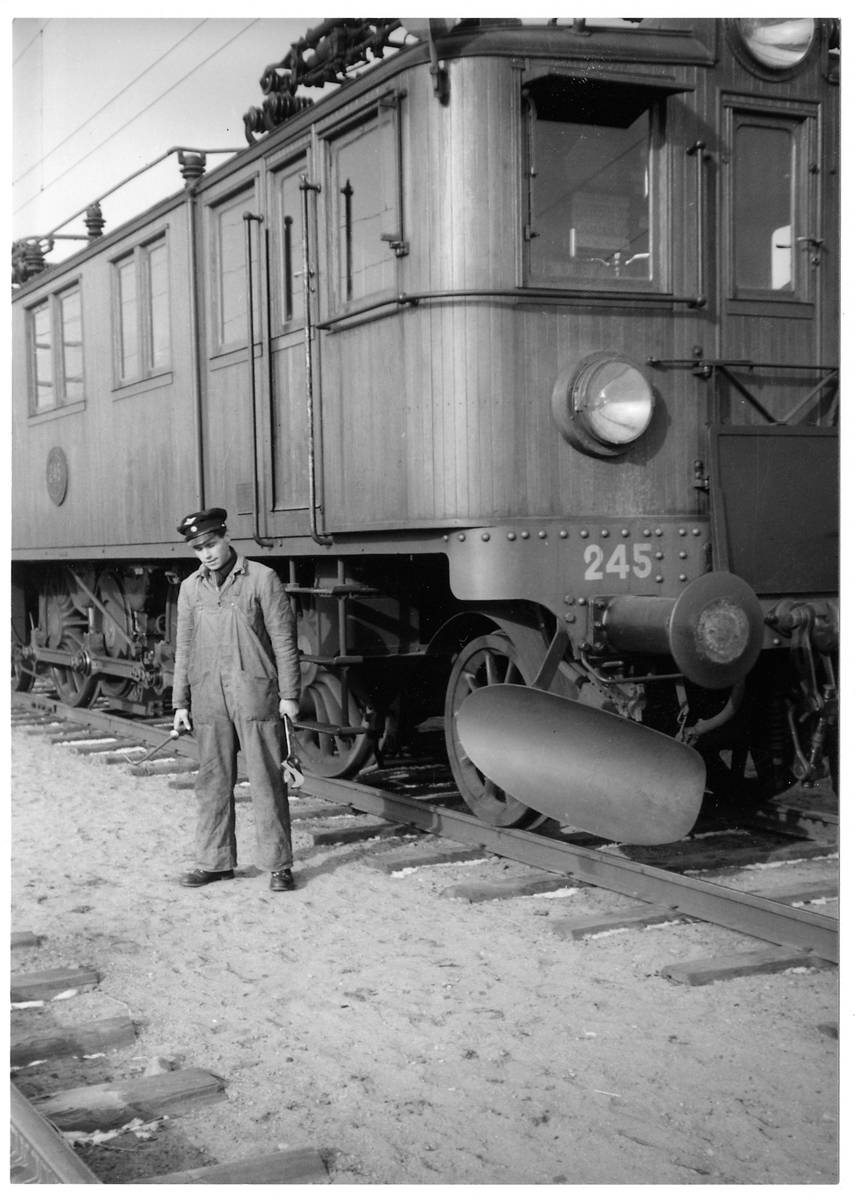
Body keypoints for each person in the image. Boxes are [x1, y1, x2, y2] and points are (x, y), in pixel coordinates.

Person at [171, 507, 302, 892]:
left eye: (211, 544)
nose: (207, 553)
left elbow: (284, 642)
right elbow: (184, 648)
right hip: (208, 697)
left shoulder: (262, 578)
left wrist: (289, 695)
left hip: (254, 694)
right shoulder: (190, 588)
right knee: (212, 781)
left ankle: (278, 865)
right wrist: (180, 703)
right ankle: (214, 863)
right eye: (199, 548)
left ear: (226, 536)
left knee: (266, 781)